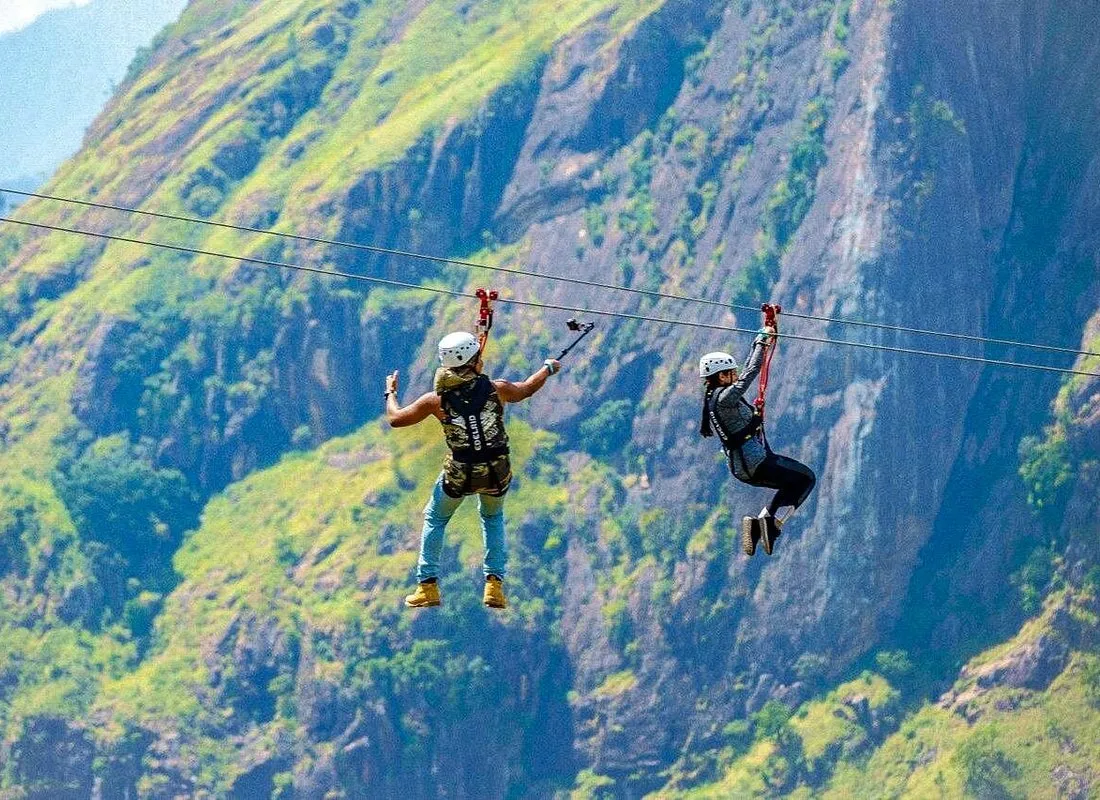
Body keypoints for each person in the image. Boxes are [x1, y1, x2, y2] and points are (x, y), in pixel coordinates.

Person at [385, 331, 561, 609]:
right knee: (492, 517)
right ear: (473, 360)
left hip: (460, 473)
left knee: (435, 518)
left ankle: (427, 586)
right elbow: (526, 388)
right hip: (496, 470)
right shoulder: (497, 389)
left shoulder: (436, 400)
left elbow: (396, 418)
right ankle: (494, 587)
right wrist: (548, 368)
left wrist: (390, 392)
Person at [698, 327, 815, 556]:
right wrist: (762, 342)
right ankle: (771, 524)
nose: (735, 376)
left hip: (743, 467)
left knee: (792, 483)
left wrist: (758, 341)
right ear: (721, 376)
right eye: (731, 373)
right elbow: (750, 372)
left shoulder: (714, 399)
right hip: (756, 462)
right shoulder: (725, 398)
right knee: (806, 478)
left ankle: (757, 525)